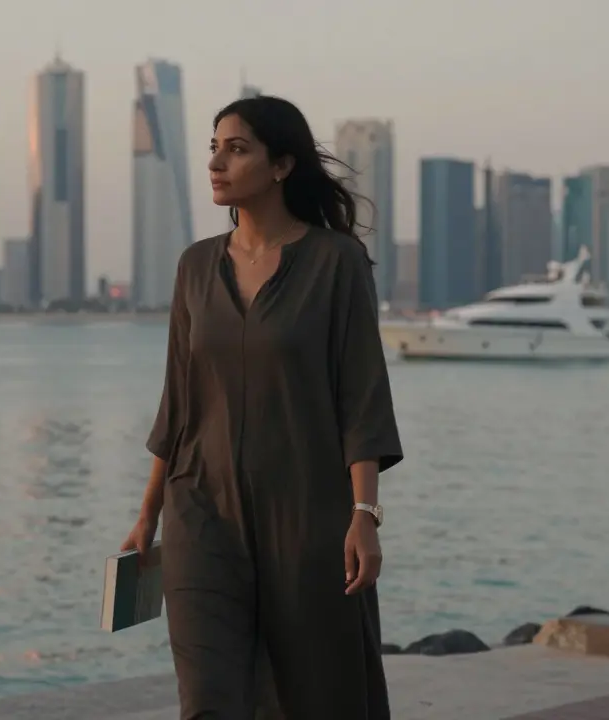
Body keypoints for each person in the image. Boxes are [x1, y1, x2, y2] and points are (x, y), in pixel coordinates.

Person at [120, 94, 404, 719]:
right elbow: (178, 400)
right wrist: (148, 514)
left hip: (306, 517)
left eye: (237, 148)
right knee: (207, 700)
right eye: (214, 148)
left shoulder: (336, 262)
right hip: (200, 511)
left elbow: (361, 397)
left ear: (281, 166)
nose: (217, 163)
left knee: (316, 695)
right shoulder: (195, 267)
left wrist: (363, 515)